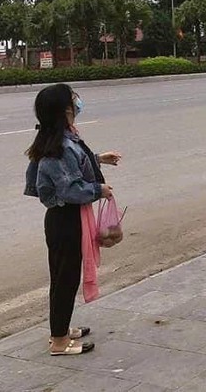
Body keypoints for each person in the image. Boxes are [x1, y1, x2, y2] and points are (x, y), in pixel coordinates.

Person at [24, 84, 121, 356]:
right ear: (66, 109)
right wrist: (97, 190)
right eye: (73, 98)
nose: (78, 102)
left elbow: (72, 167)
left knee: (63, 277)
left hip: (66, 218)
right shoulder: (60, 146)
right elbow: (69, 188)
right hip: (66, 220)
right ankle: (58, 341)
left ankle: (61, 329)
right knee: (65, 279)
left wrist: (100, 159)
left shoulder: (59, 138)